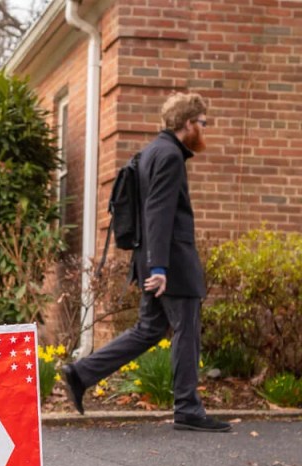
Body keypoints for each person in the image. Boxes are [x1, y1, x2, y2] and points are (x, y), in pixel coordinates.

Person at [62, 92, 231, 433]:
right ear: (188, 124)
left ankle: (81, 373)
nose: (204, 129)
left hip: (154, 258)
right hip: (171, 263)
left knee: (149, 329)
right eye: (203, 123)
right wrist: (159, 269)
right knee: (187, 330)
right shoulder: (169, 156)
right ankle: (187, 407)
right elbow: (158, 213)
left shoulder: (153, 151)